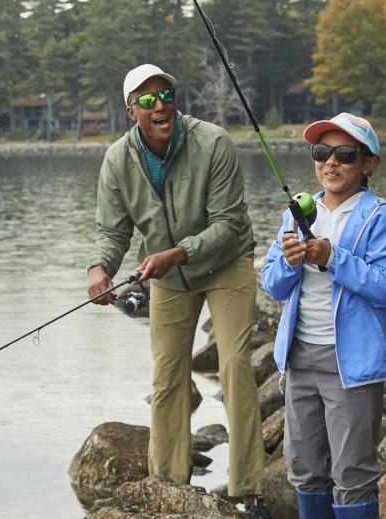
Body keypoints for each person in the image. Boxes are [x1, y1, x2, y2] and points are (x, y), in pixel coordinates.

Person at [85, 64, 270, 517]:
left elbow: (229, 224)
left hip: (226, 264)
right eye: (147, 100)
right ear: (132, 111)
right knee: (167, 377)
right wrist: (99, 268)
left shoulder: (213, 142)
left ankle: (249, 491)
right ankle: (168, 487)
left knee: (234, 366)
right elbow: (113, 231)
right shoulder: (116, 160)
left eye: (166, 94)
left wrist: (177, 252)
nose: (160, 105)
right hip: (168, 278)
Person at [259, 113, 386, 519]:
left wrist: (333, 258)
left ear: (369, 164)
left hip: (351, 366)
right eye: (322, 151)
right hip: (299, 358)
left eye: (345, 154)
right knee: (305, 468)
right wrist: (290, 264)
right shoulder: (297, 214)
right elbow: (273, 285)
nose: (331, 162)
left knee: (352, 472)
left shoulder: (381, 217)